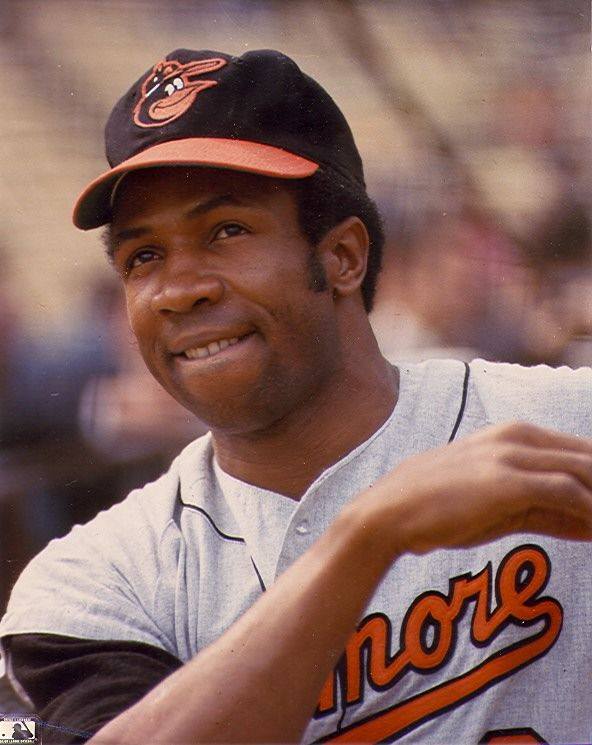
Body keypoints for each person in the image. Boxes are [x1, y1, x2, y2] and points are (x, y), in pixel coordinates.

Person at [0, 48, 591, 745]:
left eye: (226, 231)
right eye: (144, 256)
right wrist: (365, 541)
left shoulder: (565, 423)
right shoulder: (95, 582)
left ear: (343, 256)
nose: (179, 289)